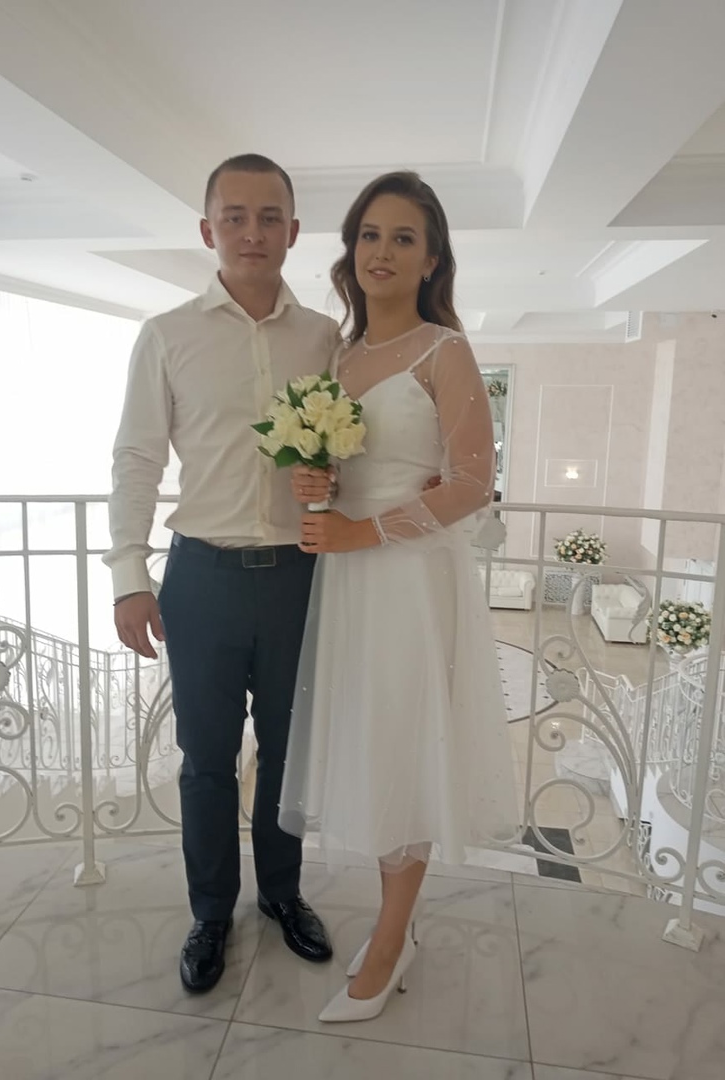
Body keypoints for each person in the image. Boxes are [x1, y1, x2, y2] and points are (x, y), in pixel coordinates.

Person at [279, 171, 519, 1023]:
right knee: (370, 739)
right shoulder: (337, 359)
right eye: (369, 235)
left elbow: (474, 483)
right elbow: (339, 467)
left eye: (403, 238)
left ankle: (390, 939)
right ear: (351, 250)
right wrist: (317, 481)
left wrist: (365, 530)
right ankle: (396, 926)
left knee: (404, 743)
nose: (382, 251)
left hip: (409, 576)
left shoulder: (443, 350)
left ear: (431, 260)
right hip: (348, 580)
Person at [105, 154, 338, 995]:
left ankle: (282, 893)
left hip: (299, 578)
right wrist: (129, 574)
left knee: (288, 751)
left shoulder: (325, 339)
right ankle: (211, 912)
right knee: (205, 757)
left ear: (293, 231)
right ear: (209, 230)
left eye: (269, 217)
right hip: (200, 578)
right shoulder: (167, 335)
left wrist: (334, 481)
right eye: (234, 217)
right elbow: (137, 459)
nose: (252, 232)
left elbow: (351, 451)